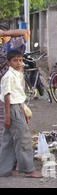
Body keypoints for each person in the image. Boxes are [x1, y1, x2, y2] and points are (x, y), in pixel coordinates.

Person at [0, 50, 42, 178]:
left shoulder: (17, 74)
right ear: (9, 62)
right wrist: (7, 117)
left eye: (20, 60)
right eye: (15, 60)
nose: (19, 63)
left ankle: (5, 169)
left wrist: (23, 111)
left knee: (8, 140)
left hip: (18, 107)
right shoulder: (8, 76)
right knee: (23, 140)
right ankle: (28, 169)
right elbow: (8, 97)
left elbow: (19, 96)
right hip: (12, 109)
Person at [0, 25, 30, 148]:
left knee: (11, 122)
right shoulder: (10, 48)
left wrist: (3, 33)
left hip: (13, 93)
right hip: (7, 92)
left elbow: (25, 32)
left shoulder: (13, 47)